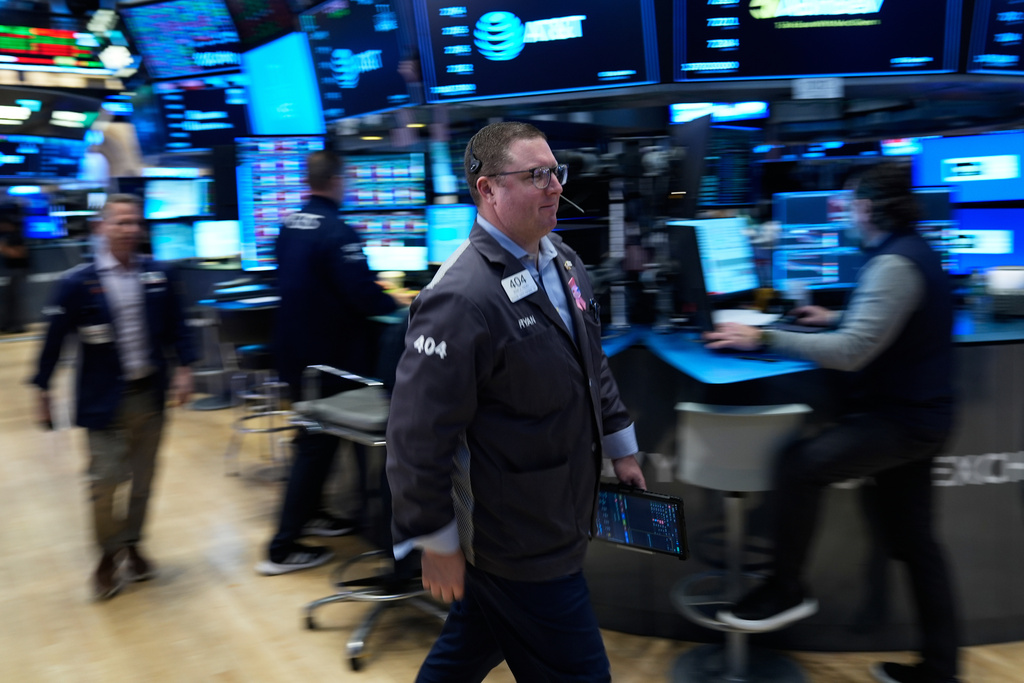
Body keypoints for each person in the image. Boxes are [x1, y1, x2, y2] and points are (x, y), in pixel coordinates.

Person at [386, 121, 647, 682]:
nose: (555, 185)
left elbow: (591, 363)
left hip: (556, 509)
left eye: (556, 172)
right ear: (487, 189)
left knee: (468, 647)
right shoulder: (459, 297)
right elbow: (415, 435)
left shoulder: (563, 261)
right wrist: (434, 538)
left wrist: (621, 447)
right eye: (536, 175)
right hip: (516, 533)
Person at [705, 163, 960, 683]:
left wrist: (766, 338)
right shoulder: (906, 251)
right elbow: (877, 326)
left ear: (868, 207)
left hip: (903, 420)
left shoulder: (893, 264)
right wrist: (833, 318)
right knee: (916, 543)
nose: (842, 212)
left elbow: (851, 352)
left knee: (801, 465)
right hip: (920, 415)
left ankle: (785, 586)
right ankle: (940, 669)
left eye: (848, 203)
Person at [255, 149, 413, 576]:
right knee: (314, 443)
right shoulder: (338, 232)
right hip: (331, 361)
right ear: (339, 181)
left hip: (293, 354)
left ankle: (317, 514)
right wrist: (398, 304)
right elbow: (363, 297)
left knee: (314, 439)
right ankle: (281, 548)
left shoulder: (289, 225)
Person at [32, 193, 196, 600]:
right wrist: (42, 387)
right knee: (104, 482)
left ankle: (133, 543)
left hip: (149, 395)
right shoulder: (76, 284)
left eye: (135, 223)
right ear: (101, 227)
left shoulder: (158, 276)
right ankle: (107, 555)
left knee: (143, 480)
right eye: (121, 222)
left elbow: (178, 327)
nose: (130, 230)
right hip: (102, 400)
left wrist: (185, 368)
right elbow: (54, 340)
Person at [0, 203, 29, 334]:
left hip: (18, 270)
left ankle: (17, 325)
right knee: (8, 299)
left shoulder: (17, 236)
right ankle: (7, 324)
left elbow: (20, 253)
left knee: (15, 300)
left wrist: (4, 249)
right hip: (11, 270)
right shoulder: (6, 235)